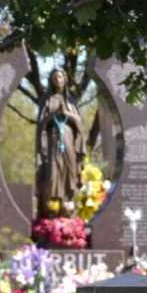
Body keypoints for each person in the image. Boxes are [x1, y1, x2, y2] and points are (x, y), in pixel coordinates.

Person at [35, 66, 84, 219]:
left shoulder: (71, 100)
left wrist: (67, 114)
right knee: (52, 174)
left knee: (69, 173)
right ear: (51, 80)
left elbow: (80, 123)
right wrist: (52, 116)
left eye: (60, 77)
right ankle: (51, 209)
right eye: (55, 77)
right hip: (52, 140)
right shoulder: (47, 100)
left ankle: (68, 208)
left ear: (65, 79)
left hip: (68, 139)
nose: (58, 80)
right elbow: (41, 124)